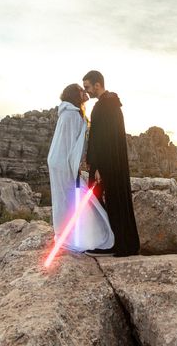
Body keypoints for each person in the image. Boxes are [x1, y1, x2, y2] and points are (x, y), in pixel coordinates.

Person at [46, 83, 114, 253]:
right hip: (63, 163)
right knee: (71, 200)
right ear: (75, 96)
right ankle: (77, 238)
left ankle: (70, 235)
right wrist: (74, 167)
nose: (85, 92)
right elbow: (71, 145)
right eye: (81, 90)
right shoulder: (71, 115)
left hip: (60, 162)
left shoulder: (71, 113)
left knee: (66, 200)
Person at [83, 70, 140, 257]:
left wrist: (98, 166)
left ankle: (113, 242)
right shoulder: (113, 105)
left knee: (97, 198)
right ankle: (123, 242)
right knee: (116, 200)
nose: (87, 92)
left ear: (97, 85)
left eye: (88, 87)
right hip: (113, 163)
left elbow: (101, 139)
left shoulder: (102, 107)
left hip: (105, 164)